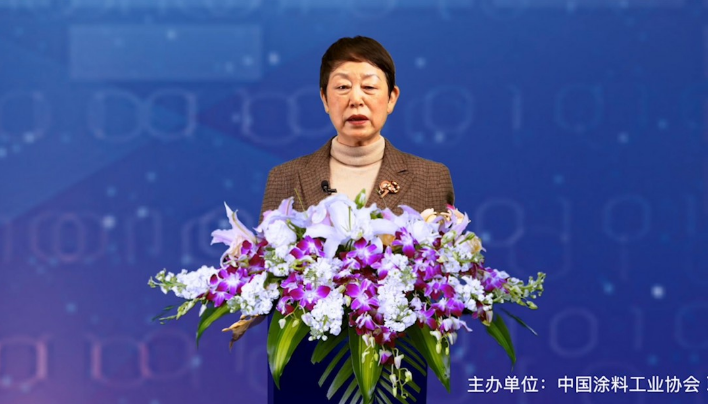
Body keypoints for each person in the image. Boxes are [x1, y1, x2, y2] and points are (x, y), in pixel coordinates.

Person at [261, 36, 455, 404]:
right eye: (342, 87)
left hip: (395, 365)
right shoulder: (286, 177)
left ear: (392, 98)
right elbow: (268, 272)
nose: (356, 99)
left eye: (369, 86)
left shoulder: (430, 177)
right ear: (324, 98)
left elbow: (443, 276)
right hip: (305, 365)